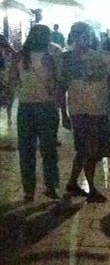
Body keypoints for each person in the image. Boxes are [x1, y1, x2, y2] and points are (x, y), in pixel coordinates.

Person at [61, 22, 110, 202]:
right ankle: (92, 188)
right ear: (74, 37)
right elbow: (61, 88)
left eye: (87, 37)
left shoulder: (99, 57)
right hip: (80, 110)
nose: (85, 41)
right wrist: (63, 114)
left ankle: (72, 183)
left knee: (85, 150)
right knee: (90, 149)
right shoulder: (67, 59)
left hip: (97, 109)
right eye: (81, 37)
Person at [9, 23, 63, 201]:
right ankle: (47, 186)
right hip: (42, 107)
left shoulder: (23, 56)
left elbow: (12, 81)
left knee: (32, 150)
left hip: (30, 106)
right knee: (44, 149)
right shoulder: (50, 54)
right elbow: (58, 82)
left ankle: (32, 189)